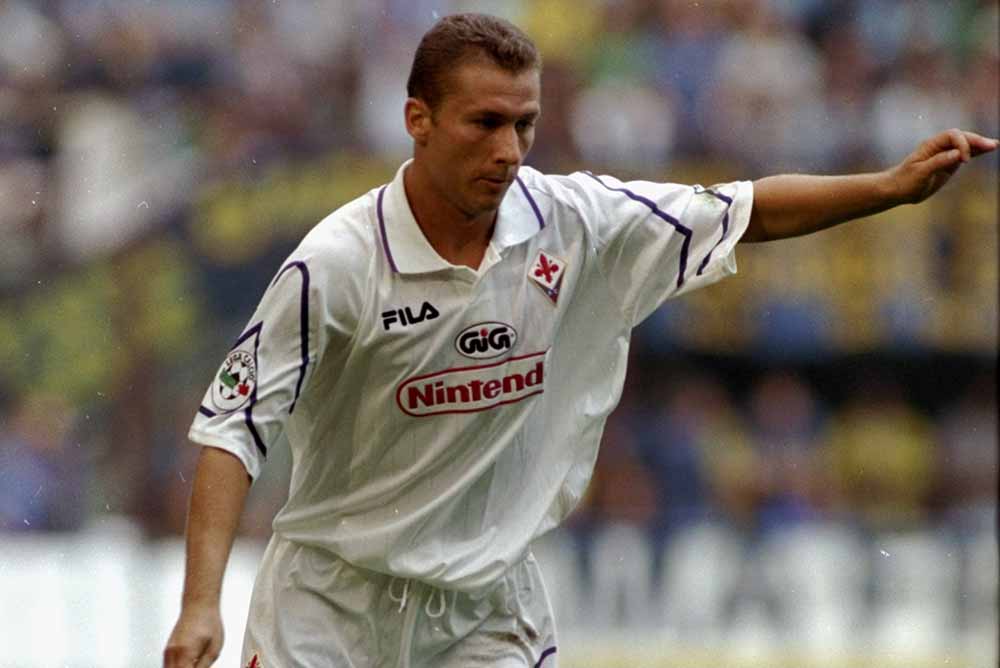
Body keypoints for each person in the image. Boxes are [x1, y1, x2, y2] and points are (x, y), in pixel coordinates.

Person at [163, 13, 996, 668]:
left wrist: (887, 189)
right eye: (484, 123)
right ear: (417, 119)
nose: (509, 151)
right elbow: (232, 428)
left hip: (486, 609)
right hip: (330, 606)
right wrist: (203, 602)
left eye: (524, 125)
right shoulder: (336, 263)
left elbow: (743, 209)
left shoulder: (575, 220)